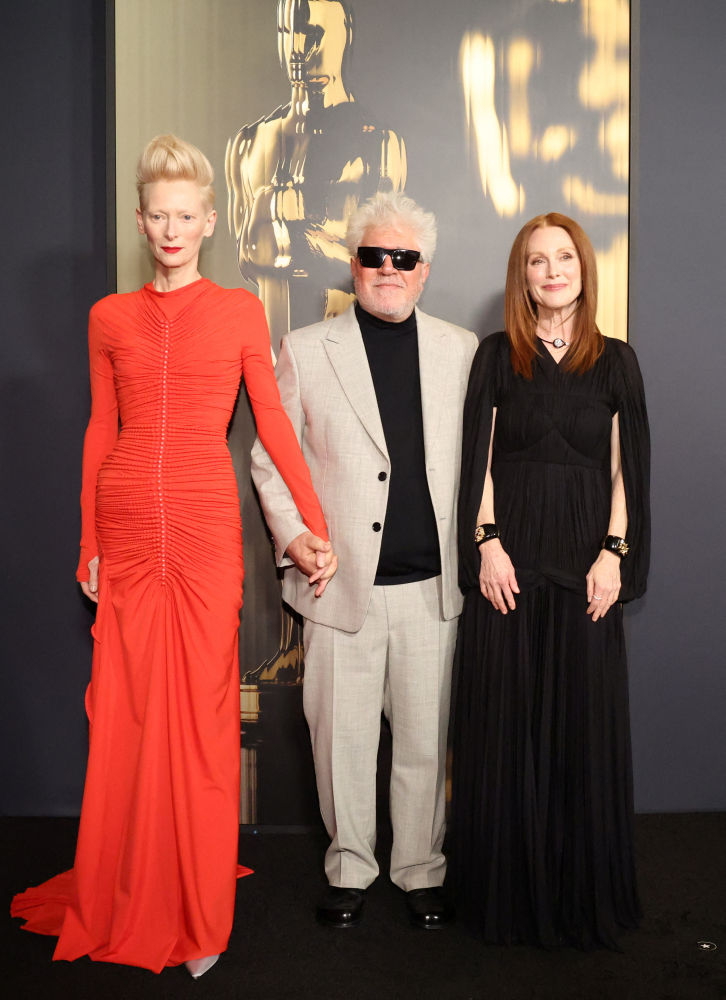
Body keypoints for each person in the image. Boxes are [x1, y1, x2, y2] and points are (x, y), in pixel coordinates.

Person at [11, 135, 335, 977]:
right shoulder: (108, 317)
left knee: (197, 717)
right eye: (157, 214)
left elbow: (272, 423)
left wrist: (313, 521)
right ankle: (126, 883)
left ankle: (197, 908)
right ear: (142, 217)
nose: (170, 228)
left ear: (209, 221)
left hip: (201, 525)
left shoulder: (236, 311)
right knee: (124, 712)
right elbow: (100, 431)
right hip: (124, 522)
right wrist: (88, 540)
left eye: (185, 215)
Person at [250, 191, 478, 930]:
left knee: (421, 741)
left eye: (403, 258)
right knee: (340, 743)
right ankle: (350, 865)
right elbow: (269, 458)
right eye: (374, 256)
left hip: (430, 589)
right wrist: (292, 538)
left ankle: (419, 870)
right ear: (353, 264)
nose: (388, 269)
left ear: (424, 271)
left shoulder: (461, 350)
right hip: (338, 584)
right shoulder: (307, 348)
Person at [452, 212, 650, 949]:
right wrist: (487, 543)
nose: (552, 270)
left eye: (563, 257)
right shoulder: (498, 356)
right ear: (522, 276)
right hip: (510, 568)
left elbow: (627, 470)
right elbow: (479, 460)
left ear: (582, 269)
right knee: (506, 731)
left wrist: (614, 554)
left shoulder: (617, 362)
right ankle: (505, 896)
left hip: (585, 572)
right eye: (537, 260)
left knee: (580, 733)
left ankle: (576, 897)